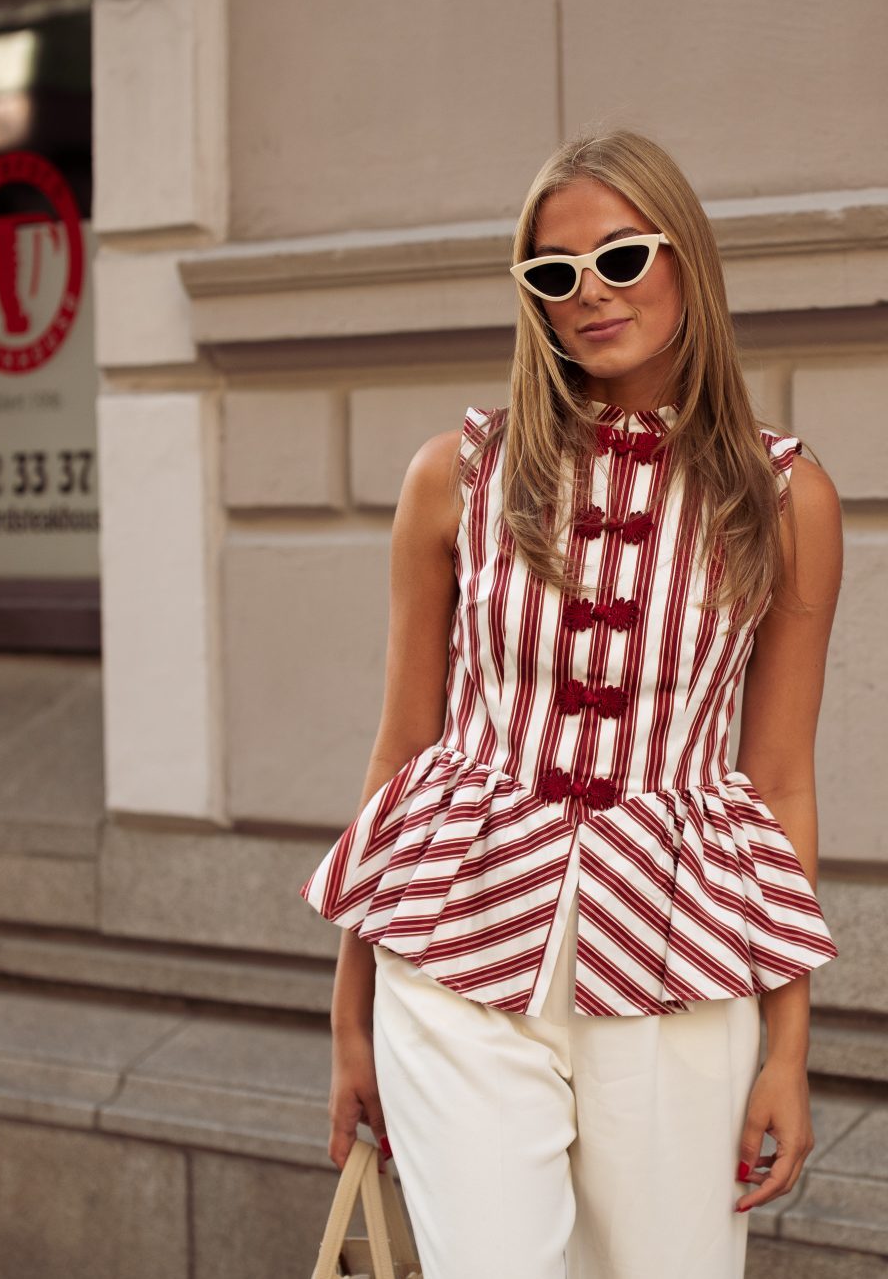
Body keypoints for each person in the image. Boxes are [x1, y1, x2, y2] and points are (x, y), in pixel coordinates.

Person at [299, 127, 843, 1279]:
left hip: (678, 965)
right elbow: (402, 749)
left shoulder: (784, 497)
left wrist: (788, 1048)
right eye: (553, 275)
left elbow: (780, 778)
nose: (590, 293)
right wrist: (349, 1015)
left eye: (621, 256)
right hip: (454, 961)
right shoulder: (455, 475)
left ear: (686, 257)